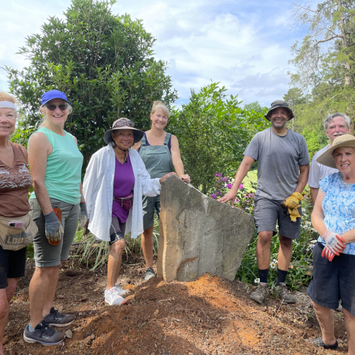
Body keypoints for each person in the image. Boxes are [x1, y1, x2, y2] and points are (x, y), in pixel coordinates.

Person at [219, 100, 309, 304]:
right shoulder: (260, 138)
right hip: (266, 197)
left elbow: (305, 170)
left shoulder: (298, 140)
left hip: (291, 199)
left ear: (288, 116)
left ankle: (282, 286)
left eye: (283, 112)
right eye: (275, 112)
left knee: (286, 239)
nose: (279, 115)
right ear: (269, 116)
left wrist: (297, 194)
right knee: (265, 235)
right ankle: (263, 285)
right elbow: (246, 163)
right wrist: (233, 190)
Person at [83, 118, 173, 305]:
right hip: (108, 208)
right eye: (121, 133)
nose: (126, 137)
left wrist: (161, 180)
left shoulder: (134, 157)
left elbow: (144, 183)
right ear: (113, 136)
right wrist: (88, 214)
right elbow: (88, 186)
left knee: (116, 246)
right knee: (119, 244)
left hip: (125, 208)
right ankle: (109, 291)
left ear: (133, 137)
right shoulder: (101, 156)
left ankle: (114, 285)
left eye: (129, 133)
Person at [23, 90, 87, 346]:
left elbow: (75, 175)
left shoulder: (70, 138)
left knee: (57, 263)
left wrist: (82, 204)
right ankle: (33, 326)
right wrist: (49, 215)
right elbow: (37, 180)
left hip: (71, 206)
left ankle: (47, 313)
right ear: (43, 110)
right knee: (44, 266)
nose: (58, 110)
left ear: (68, 109)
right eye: (52, 106)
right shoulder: (40, 137)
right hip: (51, 207)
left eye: (62, 106)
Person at [307, 134, 355, 354]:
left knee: (350, 311)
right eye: (338, 155)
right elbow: (316, 213)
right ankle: (329, 341)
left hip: (352, 254)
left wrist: (342, 239)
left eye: (348, 153)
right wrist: (327, 236)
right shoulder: (328, 181)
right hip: (325, 248)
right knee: (319, 301)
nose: (343, 158)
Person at [134, 101, 190, 281]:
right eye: (158, 115)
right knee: (147, 230)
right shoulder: (140, 139)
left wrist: (182, 175)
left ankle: (168, 266)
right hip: (145, 189)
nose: (161, 119)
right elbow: (131, 161)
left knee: (169, 229)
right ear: (151, 116)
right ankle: (149, 268)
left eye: (164, 117)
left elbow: (177, 159)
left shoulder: (171, 139)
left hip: (166, 189)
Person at [0, 93, 35, 355]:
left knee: (10, 291)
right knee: (0, 301)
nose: (4, 120)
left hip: (19, 230)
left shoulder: (21, 150)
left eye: (9, 115)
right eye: (0, 114)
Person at [308, 113, 350, 205]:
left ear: (348, 130)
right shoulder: (319, 158)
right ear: (326, 132)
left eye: (341, 126)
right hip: (329, 214)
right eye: (332, 127)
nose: (337, 130)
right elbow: (314, 187)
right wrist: (318, 214)